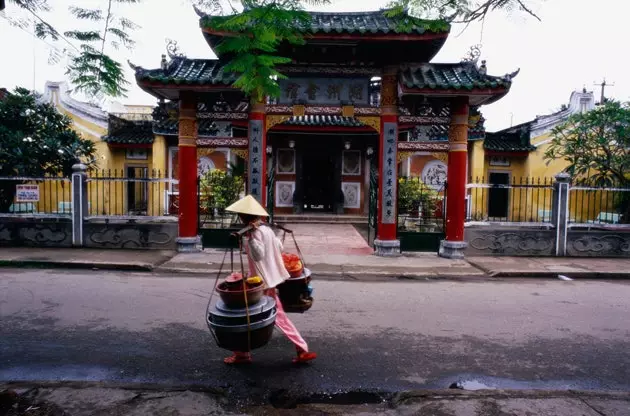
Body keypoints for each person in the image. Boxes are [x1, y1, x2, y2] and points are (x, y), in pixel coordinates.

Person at [222, 195, 317, 365]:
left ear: (244, 216)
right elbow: (278, 247)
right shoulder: (267, 230)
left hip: (262, 283)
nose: (240, 217)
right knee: (252, 316)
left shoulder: (256, 233)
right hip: (269, 279)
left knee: (266, 317)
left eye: (240, 215)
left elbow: (259, 255)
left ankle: (301, 348)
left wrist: (250, 238)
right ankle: (243, 353)